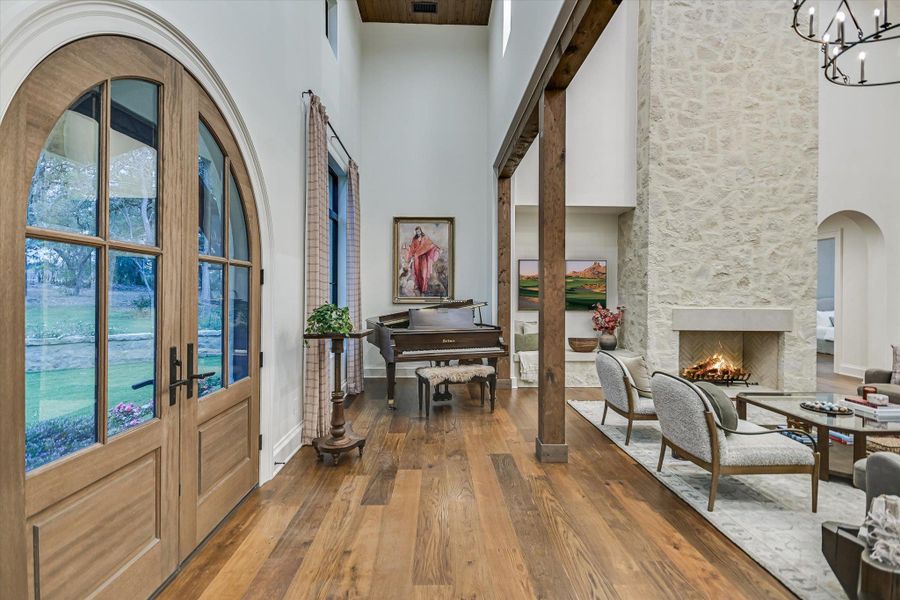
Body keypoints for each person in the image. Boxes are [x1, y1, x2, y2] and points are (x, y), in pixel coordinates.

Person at [404, 226, 441, 295]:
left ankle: (423, 289)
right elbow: (412, 248)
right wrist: (409, 252)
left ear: (421, 231)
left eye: (419, 231)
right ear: (416, 232)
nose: (418, 232)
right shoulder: (414, 239)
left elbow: (431, 245)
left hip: (424, 258)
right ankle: (419, 287)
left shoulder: (425, 238)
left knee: (424, 274)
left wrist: (437, 249)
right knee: (417, 274)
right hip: (416, 259)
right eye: (417, 231)